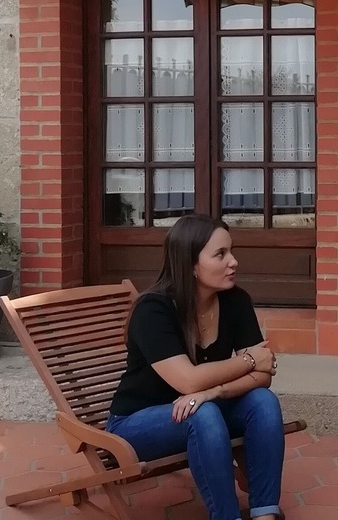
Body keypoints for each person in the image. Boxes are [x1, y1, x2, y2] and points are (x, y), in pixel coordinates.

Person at [106, 214, 286, 520]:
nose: (233, 262)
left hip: (206, 408)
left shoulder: (235, 300)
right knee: (201, 414)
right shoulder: (153, 310)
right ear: (191, 264)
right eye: (220, 254)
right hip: (137, 423)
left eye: (231, 251)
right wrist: (249, 360)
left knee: (262, 402)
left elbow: (262, 378)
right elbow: (188, 382)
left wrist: (215, 391)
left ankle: (265, 515)